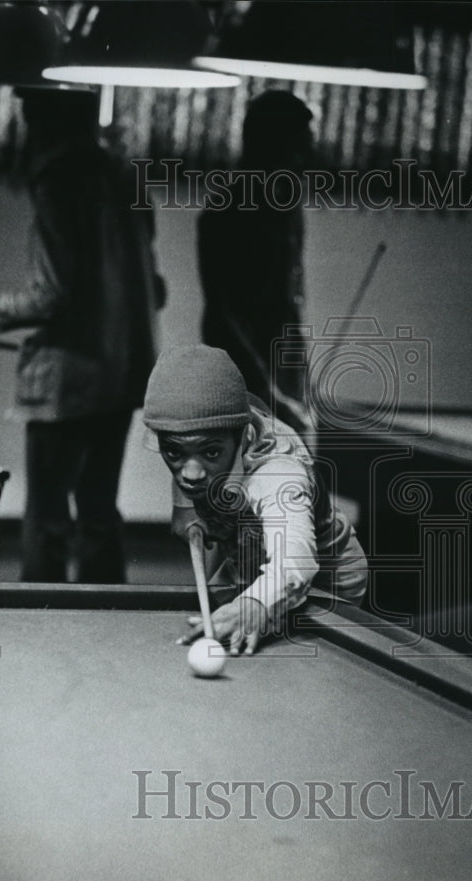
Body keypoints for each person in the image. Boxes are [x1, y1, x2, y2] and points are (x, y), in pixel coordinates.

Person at [0, 89, 165, 583]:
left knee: (47, 521)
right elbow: (156, 285)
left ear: (43, 119)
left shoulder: (58, 180)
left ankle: (42, 635)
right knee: (99, 511)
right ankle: (107, 631)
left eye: (30, 114)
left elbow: (51, 297)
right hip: (124, 371)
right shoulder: (126, 173)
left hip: (68, 379)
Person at [143, 345, 368, 654]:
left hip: (323, 584)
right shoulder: (220, 422)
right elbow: (189, 447)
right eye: (174, 453)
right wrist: (185, 505)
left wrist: (255, 602)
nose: (190, 474)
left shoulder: (279, 474)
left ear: (242, 435)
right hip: (248, 557)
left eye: (210, 452)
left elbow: (295, 562)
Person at [197, 90, 314, 433]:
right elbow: (223, 314)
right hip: (239, 381)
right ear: (270, 147)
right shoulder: (225, 211)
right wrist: (268, 392)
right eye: (297, 150)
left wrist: (298, 382)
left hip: (281, 378)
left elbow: (289, 303)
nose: (306, 160)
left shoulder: (289, 206)